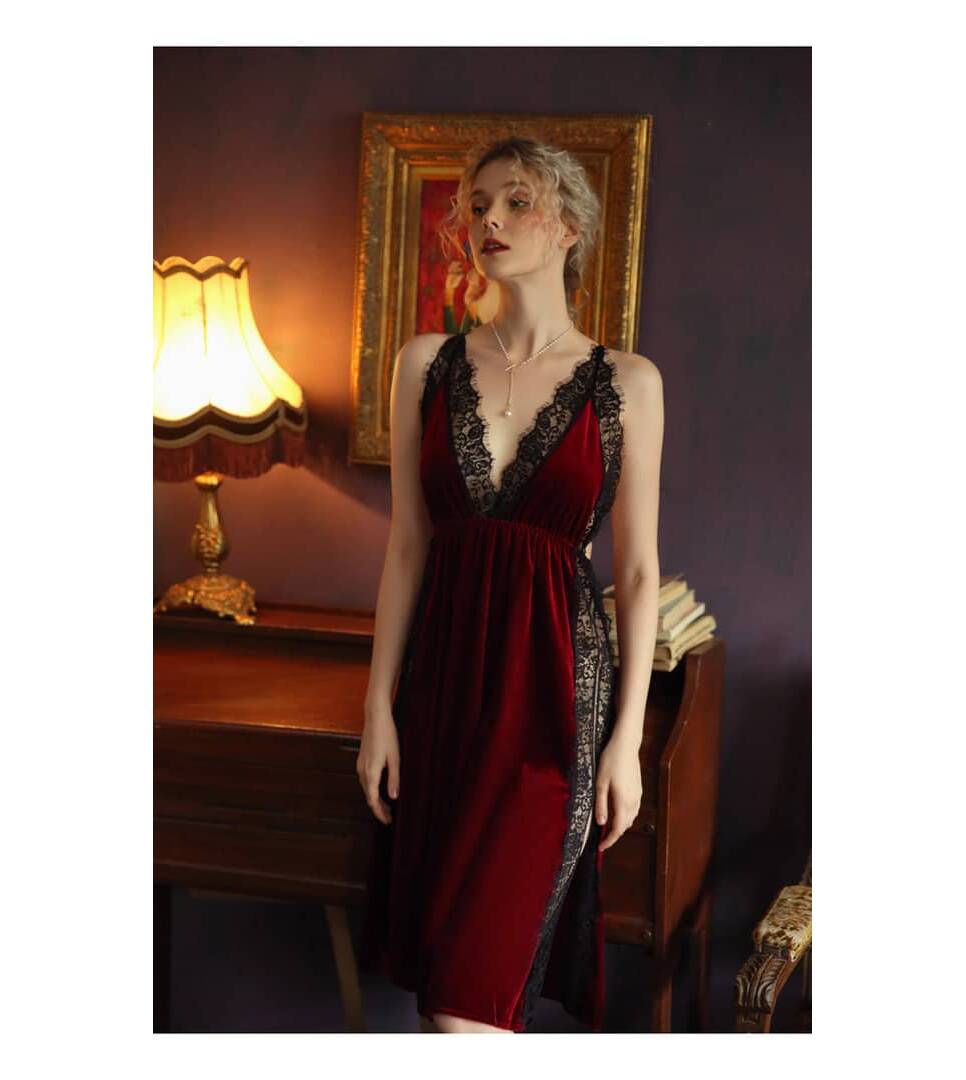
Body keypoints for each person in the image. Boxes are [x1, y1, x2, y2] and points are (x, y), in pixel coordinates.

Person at [357, 135, 664, 1034]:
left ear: (569, 226)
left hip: (554, 699)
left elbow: (637, 572)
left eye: (516, 201)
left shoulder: (628, 383)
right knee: (444, 992)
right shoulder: (426, 363)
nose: (488, 218)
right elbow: (407, 547)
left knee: (471, 1005)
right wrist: (378, 710)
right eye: (478, 204)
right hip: (441, 690)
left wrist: (626, 742)